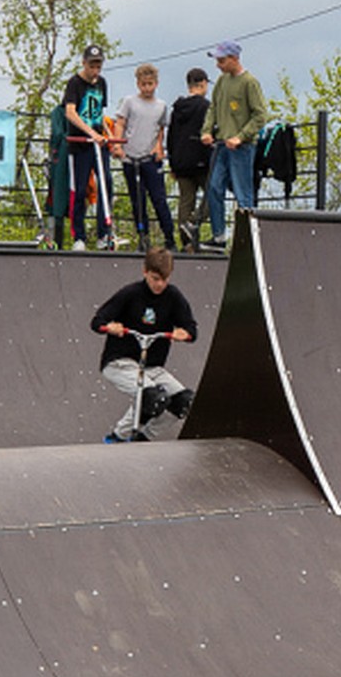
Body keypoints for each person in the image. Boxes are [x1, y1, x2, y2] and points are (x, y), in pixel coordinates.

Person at [91, 246, 197, 442]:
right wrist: (110, 327)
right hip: (119, 363)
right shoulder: (130, 294)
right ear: (145, 272)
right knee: (153, 397)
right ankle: (117, 436)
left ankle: (143, 439)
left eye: (165, 280)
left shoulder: (173, 296)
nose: (160, 285)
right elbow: (97, 321)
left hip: (152, 368)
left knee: (184, 402)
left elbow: (192, 329)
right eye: (155, 279)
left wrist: (184, 333)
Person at [200, 41, 267, 247]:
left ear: (234, 59)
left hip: (242, 147)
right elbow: (213, 108)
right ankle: (219, 237)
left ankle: (248, 240)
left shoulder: (249, 82)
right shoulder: (221, 82)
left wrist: (241, 136)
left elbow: (260, 115)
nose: (218, 65)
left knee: (242, 193)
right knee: (213, 187)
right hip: (221, 145)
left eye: (222, 60)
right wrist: (207, 130)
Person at [113, 63, 175, 252]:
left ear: (156, 84)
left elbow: (161, 129)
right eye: (143, 84)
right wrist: (117, 145)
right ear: (138, 84)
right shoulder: (129, 102)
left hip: (150, 158)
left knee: (159, 199)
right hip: (131, 158)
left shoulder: (161, 106)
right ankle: (143, 236)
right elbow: (120, 123)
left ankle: (169, 238)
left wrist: (158, 147)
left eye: (150, 84)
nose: (147, 88)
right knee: (137, 200)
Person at [62, 44, 113, 250]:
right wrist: (90, 133)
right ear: (84, 63)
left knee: (106, 184)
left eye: (98, 66)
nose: (95, 70)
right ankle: (79, 237)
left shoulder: (102, 83)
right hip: (80, 145)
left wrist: (107, 134)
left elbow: (99, 112)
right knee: (81, 189)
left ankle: (104, 234)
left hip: (98, 144)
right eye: (92, 66)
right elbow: (70, 112)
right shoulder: (74, 83)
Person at [167, 67, 212, 249]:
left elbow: (171, 136)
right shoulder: (206, 106)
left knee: (186, 200)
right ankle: (193, 223)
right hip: (201, 160)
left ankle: (186, 242)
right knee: (212, 195)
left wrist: (172, 162)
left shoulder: (177, 109)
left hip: (181, 161)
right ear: (203, 84)